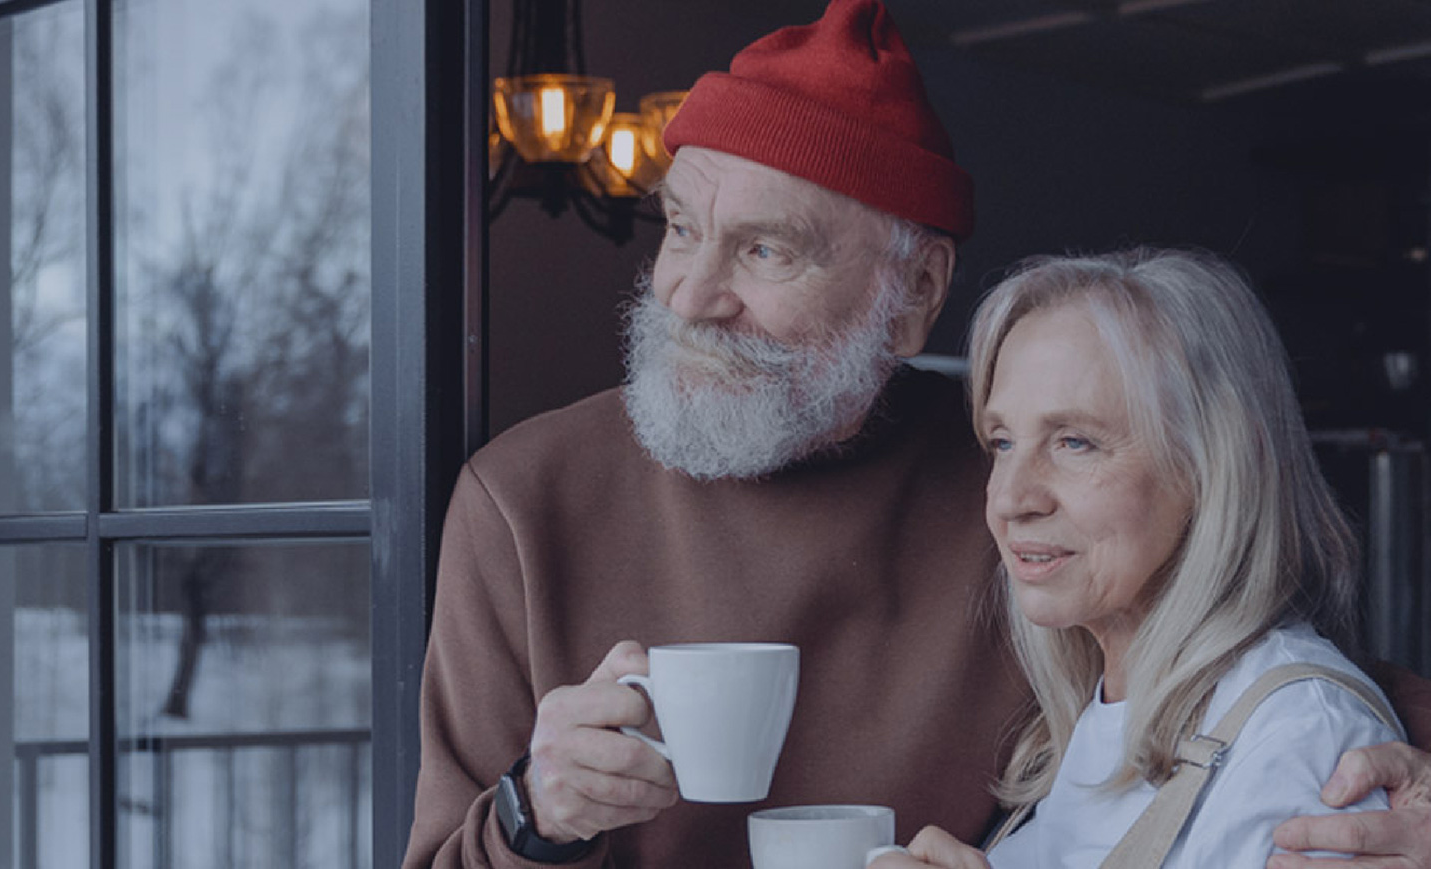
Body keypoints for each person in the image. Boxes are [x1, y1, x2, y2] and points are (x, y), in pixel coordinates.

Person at [402, 2, 1431, 868]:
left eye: (763, 249)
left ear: (912, 296)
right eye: (678, 227)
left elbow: (1261, 674)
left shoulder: (1007, 483)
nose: (689, 293)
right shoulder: (521, 497)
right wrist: (534, 813)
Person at [867, 249, 1404, 869]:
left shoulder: (1302, 739)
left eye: (1074, 442)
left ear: (1213, 466)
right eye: (1003, 442)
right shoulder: (1102, 718)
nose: (1010, 498)